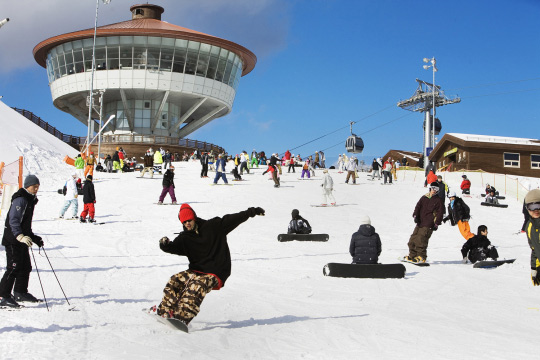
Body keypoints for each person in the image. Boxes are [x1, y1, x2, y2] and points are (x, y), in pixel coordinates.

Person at [153, 204, 265, 325]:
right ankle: (165, 310)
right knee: (175, 280)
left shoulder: (213, 227)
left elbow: (233, 218)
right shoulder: (184, 238)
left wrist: (251, 212)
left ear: (194, 218)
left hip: (216, 271)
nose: (187, 224)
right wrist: (164, 245)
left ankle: (181, 317)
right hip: (196, 270)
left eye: (189, 220)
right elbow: (173, 247)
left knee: (196, 286)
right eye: (184, 222)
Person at [0, 175, 44, 307]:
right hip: (13, 238)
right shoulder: (21, 199)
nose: (36, 189)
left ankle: (20, 292)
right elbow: (13, 220)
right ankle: (3, 295)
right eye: (33, 186)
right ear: (27, 186)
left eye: (37, 187)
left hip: (22, 239)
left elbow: (25, 224)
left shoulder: (30, 200)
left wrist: (34, 238)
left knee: (25, 266)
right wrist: (20, 236)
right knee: (13, 267)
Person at [404, 183, 443, 263]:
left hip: (429, 223)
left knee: (421, 240)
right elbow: (418, 206)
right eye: (433, 188)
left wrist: (436, 223)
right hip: (420, 222)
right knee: (412, 239)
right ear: (430, 188)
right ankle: (413, 255)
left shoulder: (438, 200)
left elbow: (440, 213)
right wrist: (415, 216)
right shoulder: (424, 197)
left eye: (436, 189)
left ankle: (421, 257)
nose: (434, 191)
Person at [524, 189, 540, 285]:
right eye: (532, 207)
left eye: (538, 206)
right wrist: (535, 268)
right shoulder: (529, 227)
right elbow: (535, 249)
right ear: (527, 208)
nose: (536, 210)